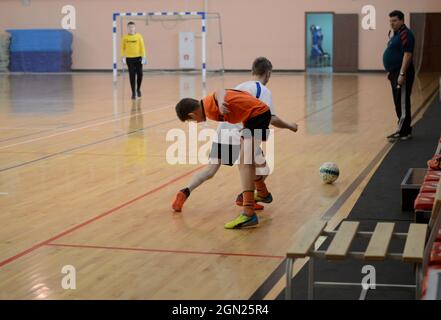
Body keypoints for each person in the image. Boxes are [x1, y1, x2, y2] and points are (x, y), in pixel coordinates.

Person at [172, 57, 298, 214]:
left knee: (211, 170)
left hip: (224, 131)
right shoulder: (263, 90)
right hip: (243, 131)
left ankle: (185, 191)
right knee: (263, 169)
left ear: (253, 71)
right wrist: (290, 126)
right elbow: (271, 118)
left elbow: (222, 95)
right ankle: (246, 200)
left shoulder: (241, 86)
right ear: (268, 74)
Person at [175, 88, 272, 229]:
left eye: (192, 120)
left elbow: (219, 91)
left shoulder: (208, 105)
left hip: (253, 119)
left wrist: (220, 102)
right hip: (250, 121)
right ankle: (257, 199)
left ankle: (250, 208)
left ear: (192, 114)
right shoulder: (209, 107)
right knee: (255, 166)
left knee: (241, 165)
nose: (195, 123)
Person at [383, 10, 415, 142]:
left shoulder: (405, 33)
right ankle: (405, 130)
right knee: (398, 102)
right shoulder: (396, 34)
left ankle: (402, 131)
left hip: (402, 72)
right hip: (394, 72)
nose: (392, 23)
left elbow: (407, 54)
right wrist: (391, 71)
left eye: (394, 20)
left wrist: (401, 74)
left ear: (402, 20)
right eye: (390, 21)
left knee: (402, 102)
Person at [120, 21, 147, 100]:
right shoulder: (125, 38)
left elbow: (142, 47)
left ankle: (138, 89)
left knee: (140, 74)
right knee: (132, 75)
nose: (131, 29)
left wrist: (144, 57)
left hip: (138, 58)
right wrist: (122, 57)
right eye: (129, 27)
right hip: (129, 59)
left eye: (132, 27)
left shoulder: (139, 36)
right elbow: (122, 48)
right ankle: (133, 93)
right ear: (127, 28)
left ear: (135, 28)